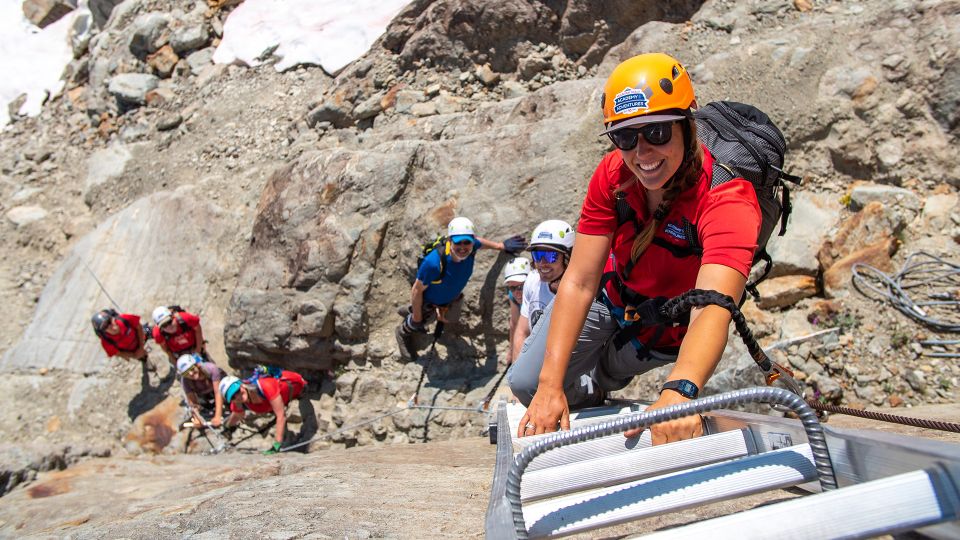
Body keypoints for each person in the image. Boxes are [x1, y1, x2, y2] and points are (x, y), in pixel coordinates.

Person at [509, 53, 762, 446]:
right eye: (625, 136)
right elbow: (578, 281)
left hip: (664, 327)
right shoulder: (613, 175)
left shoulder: (726, 198)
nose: (642, 153)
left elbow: (713, 306)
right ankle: (588, 384)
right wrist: (549, 385)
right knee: (526, 383)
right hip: (612, 297)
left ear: (685, 126)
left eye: (657, 132)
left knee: (608, 369)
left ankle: (602, 380)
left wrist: (680, 392)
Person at [395, 216, 527, 361]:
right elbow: (417, 290)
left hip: (451, 297)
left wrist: (500, 246)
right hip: (430, 299)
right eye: (458, 243)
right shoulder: (433, 263)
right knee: (421, 321)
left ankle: (411, 309)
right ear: (450, 241)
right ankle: (403, 331)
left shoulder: (472, 246)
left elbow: (479, 242)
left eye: (467, 243)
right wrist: (417, 317)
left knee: (452, 318)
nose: (463, 248)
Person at [509, 220, 576, 365]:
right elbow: (522, 332)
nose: (542, 263)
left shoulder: (579, 295)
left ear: (567, 257)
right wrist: (518, 372)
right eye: (538, 255)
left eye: (551, 255)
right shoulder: (532, 282)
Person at [219, 369, 307, 455]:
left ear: (242, 385)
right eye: (233, 397)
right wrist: (228, 427)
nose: (237, 396)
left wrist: (276, 445)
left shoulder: (265, 386)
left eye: (237, 391)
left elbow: (281, 416)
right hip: (283, 399)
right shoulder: (238, 402)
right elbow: (238, 415)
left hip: (298, 385)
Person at [177, 353, 226, 428]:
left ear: (196, 365)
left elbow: (218, 392)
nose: (191, 374)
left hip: (219, 388)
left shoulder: (211, 369)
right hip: (204, 394)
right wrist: (196, 418)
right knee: (204, 408)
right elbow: (192, 402)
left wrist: (217, 416)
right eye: (186, 373)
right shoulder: (185, 381)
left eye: (192, 369)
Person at [502, 257, 531, 366]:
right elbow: (514, 323)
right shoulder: (513, 297)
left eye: (521, 287)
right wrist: (511, 351)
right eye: (512, 288)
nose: (516, 293)